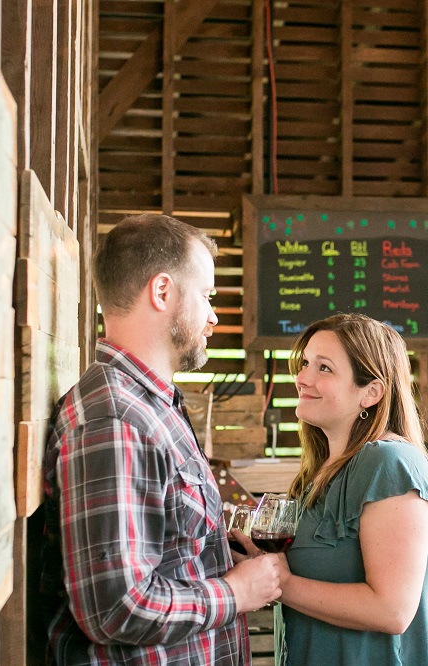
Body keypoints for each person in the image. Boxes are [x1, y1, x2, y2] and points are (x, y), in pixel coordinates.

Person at [39, 213, 282, 665]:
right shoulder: (116, 420)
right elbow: (116, 608)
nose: (212, 316)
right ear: (163, 291)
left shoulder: (152, 404)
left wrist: (215, 547)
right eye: (207, 296)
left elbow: (160, 546)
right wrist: (237, 591)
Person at [236, 313, 428, 665]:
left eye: (324, 368)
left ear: (371, 392)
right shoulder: (319, 474)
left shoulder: (390, 464)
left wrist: (279, 583)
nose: (302, 378)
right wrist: (258, 564)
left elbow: (392, 611)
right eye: (305, 364)